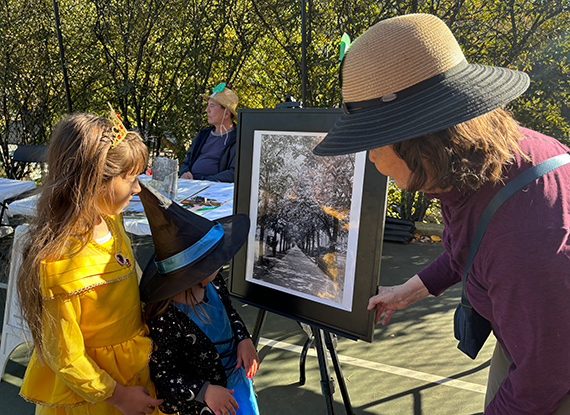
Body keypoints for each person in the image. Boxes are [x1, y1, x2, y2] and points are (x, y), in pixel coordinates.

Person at [313, 13, 570, 415]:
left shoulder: (521, 236)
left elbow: (545, 375)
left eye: (375, 139)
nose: (369, 155)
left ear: (420, 139)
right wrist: (409, 291)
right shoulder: (485, 163)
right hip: (531, 335)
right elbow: (467, 244)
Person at [16, 110, 163, 414]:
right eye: (130, 178)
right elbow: (65, 356)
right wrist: (120, 397)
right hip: (97, 396)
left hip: (132, 372)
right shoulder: (59, 261)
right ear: (96, 181)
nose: (137, 189)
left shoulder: (111, 219)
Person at [137, 180, 259, 415]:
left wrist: (244, 338)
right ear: (196, 273)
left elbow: (229, 313)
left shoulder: (213, 283)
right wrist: (205, 392)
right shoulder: (166, 318)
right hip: (205, 405)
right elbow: (164, 375)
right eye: (216, 261)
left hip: (235, 386)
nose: (222, 264)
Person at [179, 82, 239, 183]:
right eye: (208, 106)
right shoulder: (203, 135)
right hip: (190, 186)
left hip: (214, 190)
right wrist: (184, 173)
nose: (207, 110)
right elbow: (186, 161)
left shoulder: (238, 138)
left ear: (226, 113)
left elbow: (233, 173)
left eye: (212, 106)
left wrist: (202, 181)